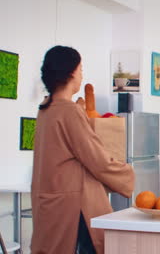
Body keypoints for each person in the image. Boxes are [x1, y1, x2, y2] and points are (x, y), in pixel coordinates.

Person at [31, 46, 135, 254]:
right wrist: (128, 174)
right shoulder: (70, 111)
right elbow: (97, 159)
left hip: (50, 204)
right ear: (71, 72)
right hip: (73, 207)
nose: (81, 75)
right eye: (81, 69)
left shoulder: (45, 109)